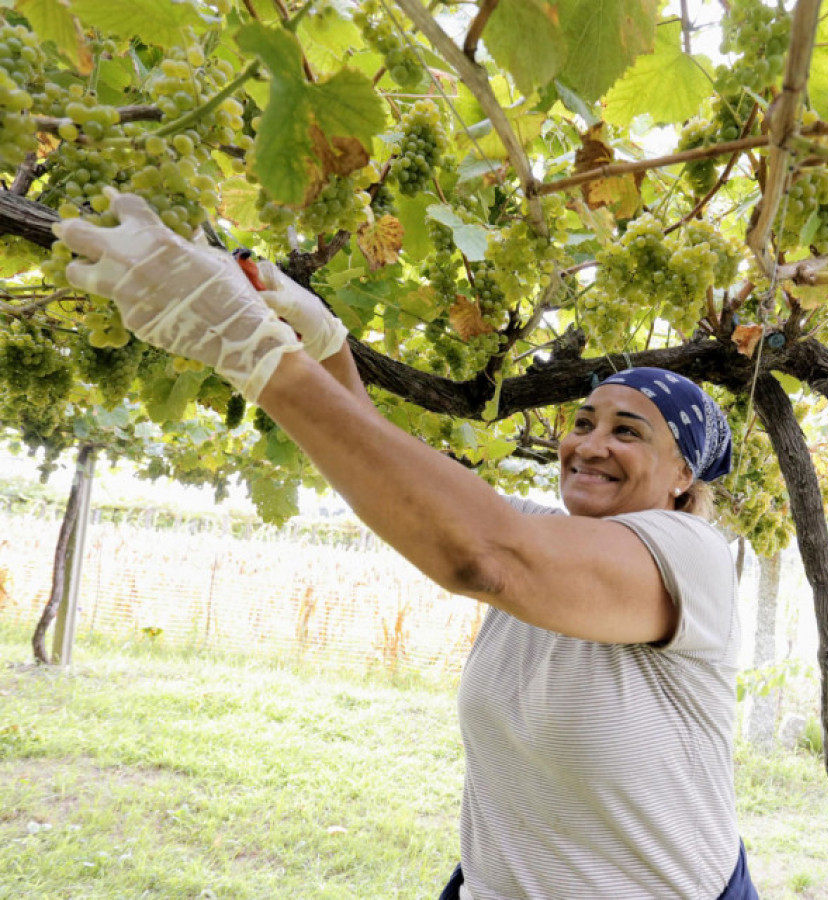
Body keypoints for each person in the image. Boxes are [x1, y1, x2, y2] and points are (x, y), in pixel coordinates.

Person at [53, 188, 758, 900]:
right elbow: (407, 489)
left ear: (681, 477)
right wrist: (326, 346)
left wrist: (259, 357)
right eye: (584, 421)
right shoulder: (548, 536)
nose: (589, 445)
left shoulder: (688, 554)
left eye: (628, 431)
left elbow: (486, 557)